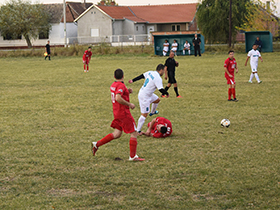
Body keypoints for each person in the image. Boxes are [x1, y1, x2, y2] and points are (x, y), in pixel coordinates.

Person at [91, 69, 144, 161]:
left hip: (117, 113)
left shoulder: (113, 84)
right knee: (134, 132)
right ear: (123, 76)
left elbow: (118, 92)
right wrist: (129, 104)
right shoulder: (121, 86)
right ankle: (133, 156)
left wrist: (127, 91)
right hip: (124, 113)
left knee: (117, 134)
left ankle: (96, 144)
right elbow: (118, 97)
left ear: (114, 77)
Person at [128, 64, 169, 134]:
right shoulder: (158, 78)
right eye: (164, 71)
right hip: (145, 97)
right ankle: (137, 130)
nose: (164, 72)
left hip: (146, 93)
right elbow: (161, 89)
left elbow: (142, 76)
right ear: (161, 70)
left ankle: (153, 112)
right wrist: (167, 93)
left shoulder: (150, 72)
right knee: (144, 114)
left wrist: (133, 80)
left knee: (157, 100)